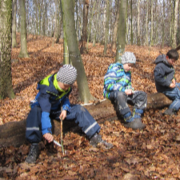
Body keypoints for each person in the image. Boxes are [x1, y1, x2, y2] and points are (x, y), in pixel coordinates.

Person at [25, 64, 113, 164]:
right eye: (65, 86)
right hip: (42, 109)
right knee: (34, 112)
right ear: (59, 80)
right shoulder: (46, 88)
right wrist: (46, 131)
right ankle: (34, 145)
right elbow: (45, 112)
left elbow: (65, 99)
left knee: (79, 109)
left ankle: (94, 136)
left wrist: (65, 109)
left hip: (56, 109)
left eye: (69, 86)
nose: (67, 88)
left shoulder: (66, 87)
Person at [103, 52, 147, 130]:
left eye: (131, 66)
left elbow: (128, 84)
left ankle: (137, 118)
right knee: (120, 94)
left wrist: (131, 89)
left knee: (142, 95)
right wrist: (123, 90)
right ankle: (129, 120)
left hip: (124, 92)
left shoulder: (128, 73)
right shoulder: (114, 69)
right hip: (112, 93)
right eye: (129, 65)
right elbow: (108, 85)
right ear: (124, 62)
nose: (130, 68)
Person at [154, 49, 179, 115]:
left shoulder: (169, 64)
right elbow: (158, 78)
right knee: (179, 96)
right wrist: (169, 84)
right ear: (167, 57)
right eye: (172, 61)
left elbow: (171, 75)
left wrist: (173, 79)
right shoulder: (160, 66)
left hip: (169, 85)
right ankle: (171, 109)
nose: (173, 63)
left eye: (174, 62)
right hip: (164, 88)